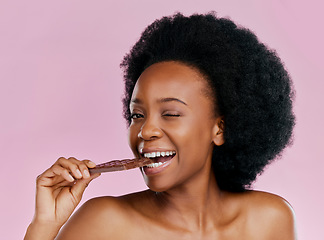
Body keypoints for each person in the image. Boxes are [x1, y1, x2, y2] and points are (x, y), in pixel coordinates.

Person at [24, 12, 297, 239]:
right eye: (137, 115)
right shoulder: (105, 224)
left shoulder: (269, 220)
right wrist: (44, 225)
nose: (145, 131)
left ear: (220, 129)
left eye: (170, 113)